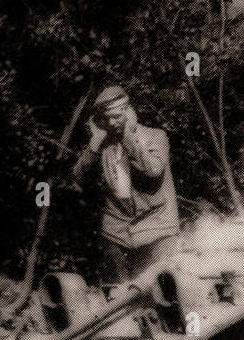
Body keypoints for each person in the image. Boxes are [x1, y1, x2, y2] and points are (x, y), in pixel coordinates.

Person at [73, 85, 180, 285]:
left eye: (116, 116)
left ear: (129, 112)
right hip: (116, 232)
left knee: (161, 290)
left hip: (157, 228)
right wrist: (94, 144)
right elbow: (79, 176)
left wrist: (129, 138)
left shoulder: (156, 137)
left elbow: (153, 170)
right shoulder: (102, 145)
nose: (111, 123)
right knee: (119, 295)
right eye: (106, 118)